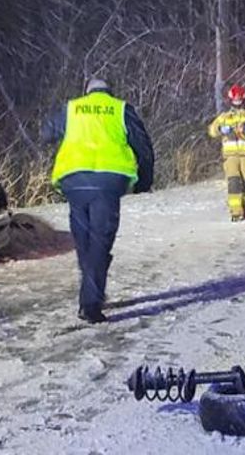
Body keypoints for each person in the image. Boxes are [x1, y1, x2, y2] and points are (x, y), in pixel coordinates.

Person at [46, 77, 154, 323]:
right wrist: (144, 182)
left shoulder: (72, 108)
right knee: (99, 242)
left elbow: (46, 133)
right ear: (109, 92)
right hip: (108, 182)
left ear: (88, 92)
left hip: (74, 181)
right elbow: (143, 146)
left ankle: (92, 288)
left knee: (83, 240)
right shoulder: (121, 109)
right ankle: (91, 304)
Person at [207, 84, 245, 222]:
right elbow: (212, 131)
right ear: (230, 99)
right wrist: (221, 129)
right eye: (234, 98)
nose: (237, 100)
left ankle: (243, 205)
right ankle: (236, 212)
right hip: (230, 157)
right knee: (234, 183)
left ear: (243, 98)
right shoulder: (224, 117)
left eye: (239, 98)